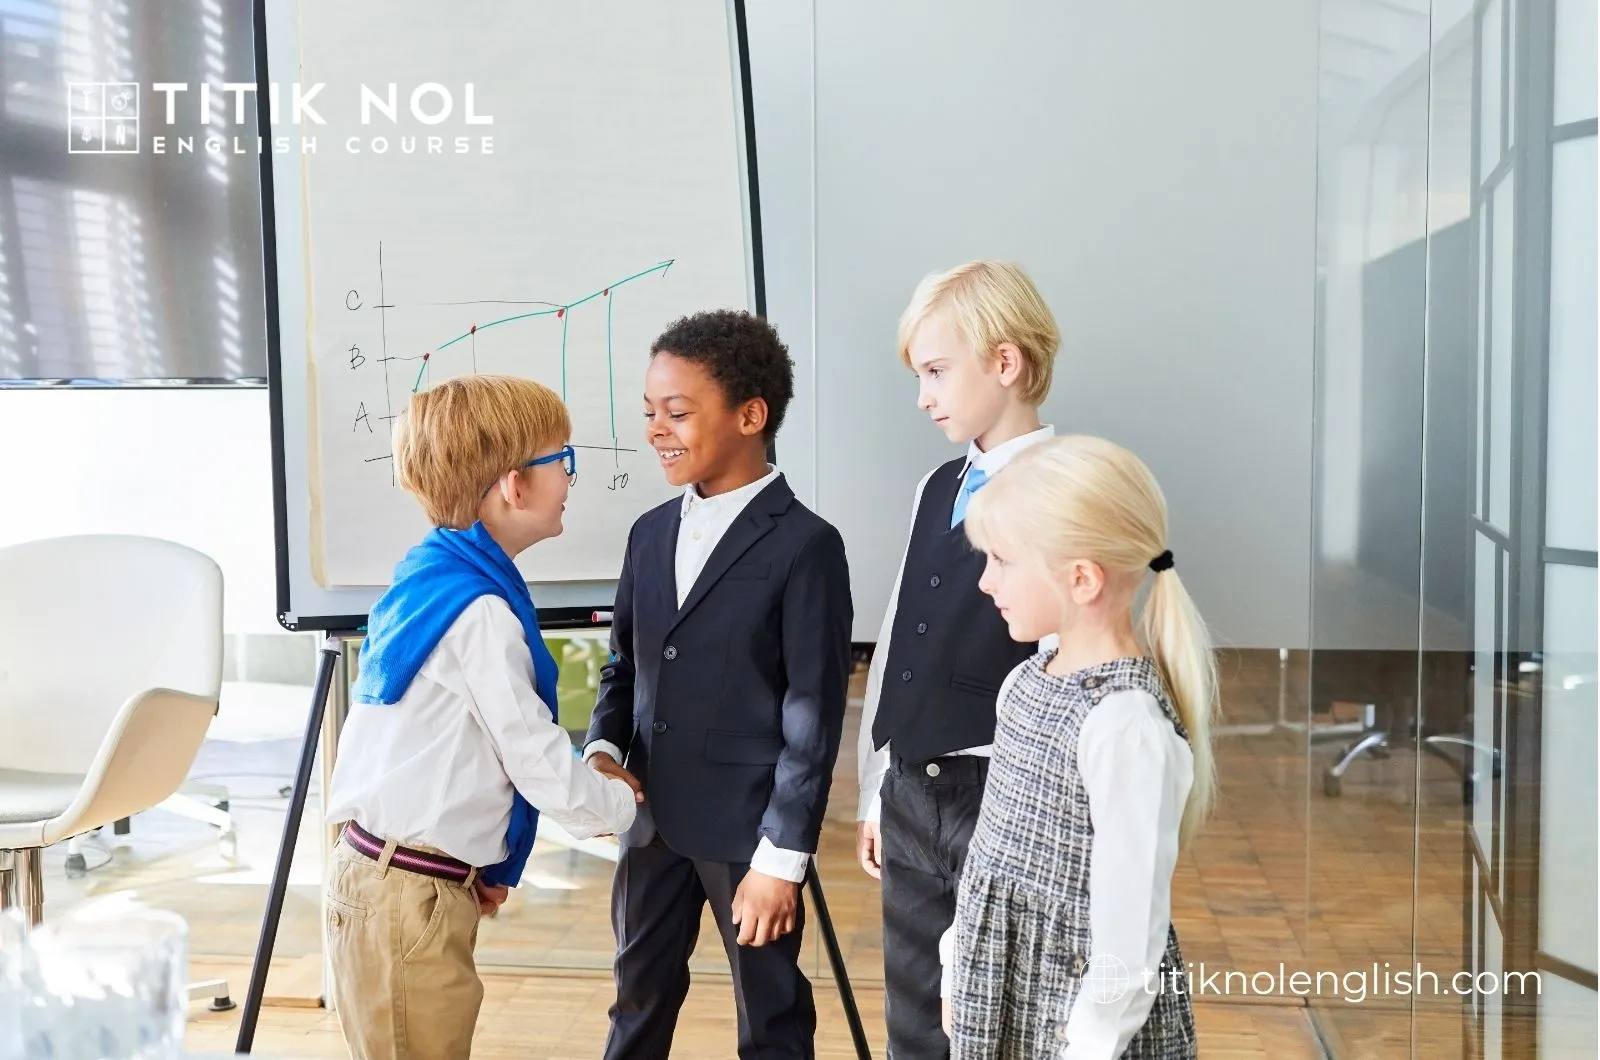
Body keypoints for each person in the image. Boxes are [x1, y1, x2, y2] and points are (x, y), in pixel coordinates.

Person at [324, 374, 642, 1060]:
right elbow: (535, 760)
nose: (570, 477)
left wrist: (479, 867)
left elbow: (463, 753)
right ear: (513, 486)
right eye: (562, 460)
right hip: (408, 896)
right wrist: (625, 805)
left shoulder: (433, 576)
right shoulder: (481, 613)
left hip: (398, 883)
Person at [583, 309, 854, 1060]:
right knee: (635, 1003)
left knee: (771, 1019)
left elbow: (813, 716)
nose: (656, 430)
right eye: (649, 412)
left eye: (676, 412)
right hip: (650, 822)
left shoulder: (807, 545)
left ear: (750, 415)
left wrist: (781, 859)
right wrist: (603, 747)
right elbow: (625, 665)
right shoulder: (648, 533)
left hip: (750, 833)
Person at [943, 435, 1214, 1059]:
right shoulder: (1024, 682)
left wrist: (1089, 1044)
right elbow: (991, 851)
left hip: (1080, 1026)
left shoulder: (1126, 726)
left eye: (1002, 560)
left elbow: (1131, 930)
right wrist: (958, 965)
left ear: (1082, 579)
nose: (985, 581)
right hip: (1001, 989)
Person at [854, 260, 1062, 1057]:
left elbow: (1064, 664)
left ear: (1004, 363)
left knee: (998, 1015)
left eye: (937, 372)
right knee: (913, 1020)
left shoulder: (1062, 487)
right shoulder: (937, 485)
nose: (923, 396)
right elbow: (899, 637)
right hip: (911, 791)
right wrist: (876, 788)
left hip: (1001, 792)